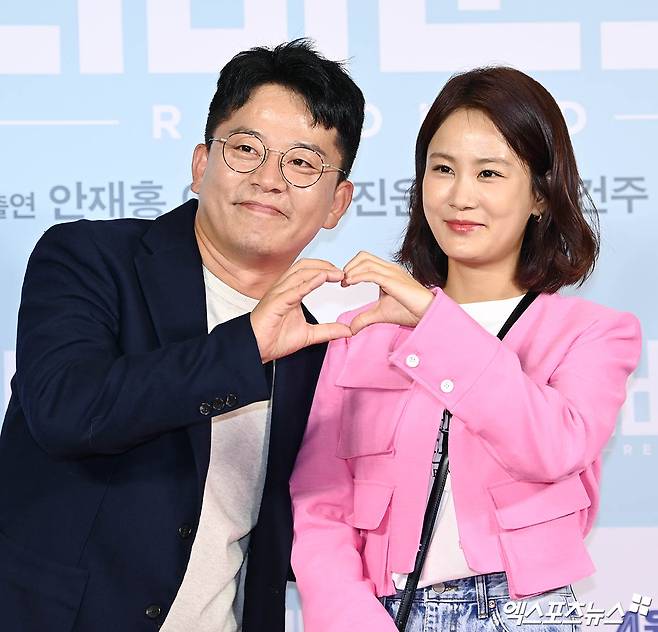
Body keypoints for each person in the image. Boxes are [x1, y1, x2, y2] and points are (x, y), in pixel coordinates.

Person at [0, 39, 364, 632]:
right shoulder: (91, 258)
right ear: (201, 164)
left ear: (336, 204)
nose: (269, 179)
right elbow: (68, 409)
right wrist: (245, 346)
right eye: (246, 149)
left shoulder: (319, 344)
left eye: (302, 163)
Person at [290, 66, 642, 631]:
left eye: (490, 173)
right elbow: (320, 503)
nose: (460, 196)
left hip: (529, 610)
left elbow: (552, 446)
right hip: (386, 609)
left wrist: (434, 321)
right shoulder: (361, 332)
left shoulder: (592, 333)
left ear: (541, 196)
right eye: (443, 169)